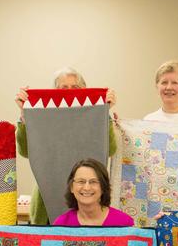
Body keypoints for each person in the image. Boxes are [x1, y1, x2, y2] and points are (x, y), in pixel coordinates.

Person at [14, 67, 117, 225]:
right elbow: (26, 152)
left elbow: (110, 149)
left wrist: (103, 114)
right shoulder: (45, 118)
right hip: (46, 206)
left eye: (75, 88)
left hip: (88, 203)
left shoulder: (93, 119)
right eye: (63, 88)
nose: (69, 92)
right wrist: (26, 115)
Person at [54, 158, 134, 226]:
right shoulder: (61, 224)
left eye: (93, 182)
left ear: (103, 187)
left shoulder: (124, 223)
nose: (87, 188)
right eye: (81, 181)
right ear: (71, 187)